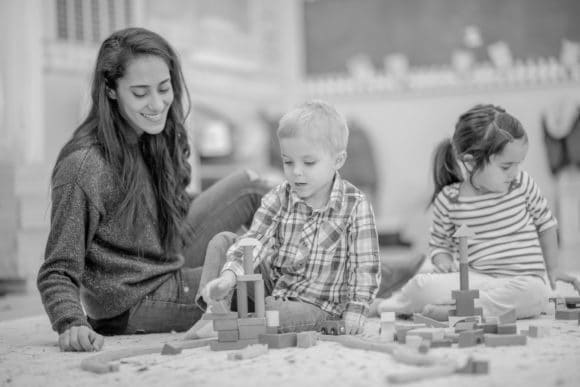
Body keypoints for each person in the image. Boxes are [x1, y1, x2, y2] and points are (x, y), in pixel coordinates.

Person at [36, 27, 270, 352]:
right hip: (135, 298)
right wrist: (70, 322)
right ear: (112, 90)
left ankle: (330, 248)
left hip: (163, 252)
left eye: (164, 88)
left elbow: (157, 209)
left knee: (250, 186)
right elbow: (58, 267)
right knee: (257, 275)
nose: (157, 103)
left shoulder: (152, 135)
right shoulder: (84, 166)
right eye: (141, 93)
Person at [375, 104, 580, 320]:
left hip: (521, 279)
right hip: (472, 279)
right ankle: (386, 306)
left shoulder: (522, 184)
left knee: (537, 294)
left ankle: (458, 311)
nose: (514, 173)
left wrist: (553, 268)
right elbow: (439, 244)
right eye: (505, 167)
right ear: (471, 163)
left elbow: (546, 223)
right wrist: (443, 262)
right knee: (422, 286)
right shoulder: (450, 198)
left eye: (518, 165)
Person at [199, 100, 381, 335]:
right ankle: (215, 310)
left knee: (274, 311)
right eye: (288, 162)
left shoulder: (355, 205)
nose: (296, 171)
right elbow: (256, 241)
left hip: (319, 307)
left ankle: (248, 319)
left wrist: (355, 312)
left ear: (338, 160)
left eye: (308, 163)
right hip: (274, 290)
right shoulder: (279, 197)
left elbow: (364, 266)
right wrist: (229, 276)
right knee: (223, 240)